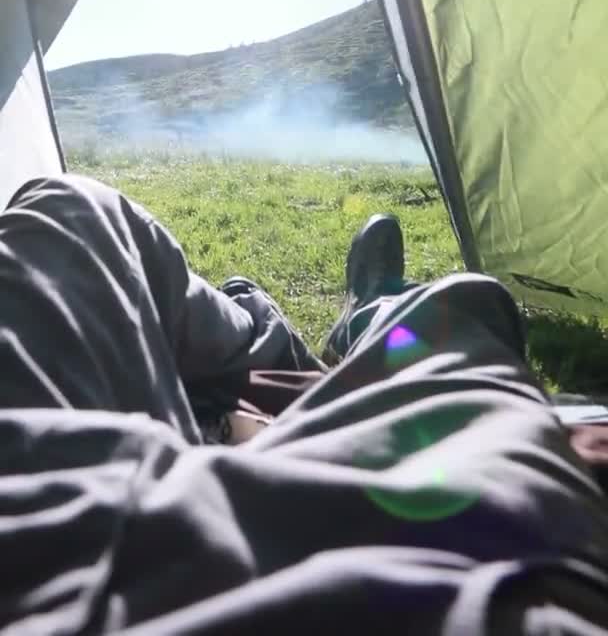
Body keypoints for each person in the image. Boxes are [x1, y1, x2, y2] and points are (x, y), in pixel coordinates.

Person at [0, 173, 607, 634]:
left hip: (43, 527)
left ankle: (293, 349)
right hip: (105, 553)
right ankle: (359, 326)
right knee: (453, 323)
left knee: (67, 210)